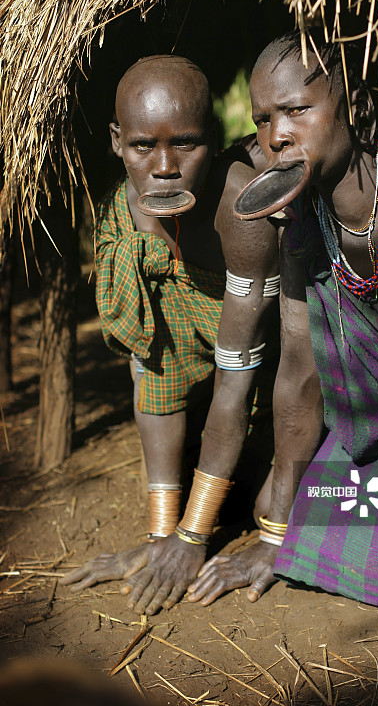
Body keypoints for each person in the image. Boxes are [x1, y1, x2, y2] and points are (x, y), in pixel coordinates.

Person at [189, 32, 378, 663]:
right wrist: (273, 532)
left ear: (356, 102)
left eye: (297, 110)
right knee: (306, 544)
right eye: (263, 121)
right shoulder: (303, 217)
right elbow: (297, 373)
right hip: (371, 432)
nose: (277, 136)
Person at [63, 55, 282, 613]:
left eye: (186, 144)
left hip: (282, 407)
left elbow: (238, 385)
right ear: (117, 142)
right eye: (143, 147)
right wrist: (165, 535)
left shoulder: (242, 212)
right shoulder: (123, 219)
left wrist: (193, 538)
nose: (165, 166)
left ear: (214, 136)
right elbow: (153, 370)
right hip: (212, 417)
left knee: (281, 507)